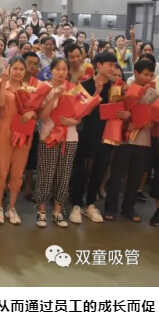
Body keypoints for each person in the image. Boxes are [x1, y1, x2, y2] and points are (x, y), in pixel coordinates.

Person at [35, 58, 101, 228]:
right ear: (51, 70)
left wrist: (75, 121)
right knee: (46, 174)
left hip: (70, 137)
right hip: (49, 135)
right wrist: (54, 96)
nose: (61, 72)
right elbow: (42, 116)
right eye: (58, 69)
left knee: (64, 175)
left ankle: (58, 211)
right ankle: (41, 211)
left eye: (64, 69)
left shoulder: (74, 89)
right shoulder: (44, 87)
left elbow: (82, 112)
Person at [104, 58, 159, 222]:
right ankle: (110, 207)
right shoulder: (123, 89)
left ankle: (128, 207)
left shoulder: (153, 93)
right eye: (145, 74)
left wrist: (150, 122)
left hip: (143, 139)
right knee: (117, 175)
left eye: (150, 75)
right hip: (124, 139)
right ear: (135, 73)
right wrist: (126, 121)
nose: (148, 78)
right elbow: (113, 112)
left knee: (136, 177)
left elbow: (154, 115)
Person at [69, 51, 117, 224]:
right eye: (109, 64)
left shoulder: (115, 88)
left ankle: (90, 203)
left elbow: (116, 110)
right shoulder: (85, 85)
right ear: (99, 65)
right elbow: (79, 111)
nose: (112, 68)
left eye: (114, 65)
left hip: (106, 135)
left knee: (99, 170)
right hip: (87, 133)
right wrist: (96, 94)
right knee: (82, 170)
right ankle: (76, 204)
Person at [0, 57, 34, 225]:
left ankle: (12, 207)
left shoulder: (30, 89)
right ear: (9, 69)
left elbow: (36, 110)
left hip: (24, 131)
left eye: (21, 69)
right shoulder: (3, 85)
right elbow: (0, 104)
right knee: (2, 170)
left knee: (17, 172)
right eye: (15, 68)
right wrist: (3, 82)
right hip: (4, 129)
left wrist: (32, 113)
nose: (18, 72)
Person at [22, 51, 41, 202]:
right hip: (14, 123)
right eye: (30, 63)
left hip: (33, 126)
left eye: (35, 64)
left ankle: (28, 189)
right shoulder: (15, 80)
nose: (32, 66)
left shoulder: (39, 84)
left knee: (30, 159)